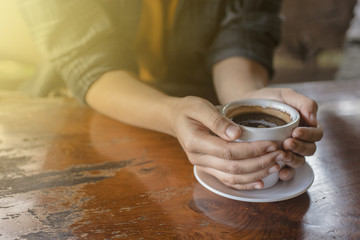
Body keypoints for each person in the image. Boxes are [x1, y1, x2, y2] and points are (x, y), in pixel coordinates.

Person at [18, 0, 323, 190]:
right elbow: (86, 61)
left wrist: (245, 99)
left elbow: (243, 31)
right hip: (84, 123)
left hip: (204, 117)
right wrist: (171, 113)